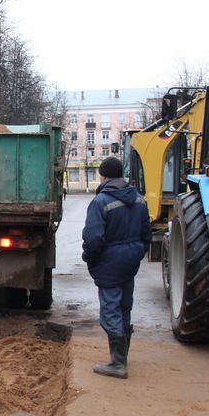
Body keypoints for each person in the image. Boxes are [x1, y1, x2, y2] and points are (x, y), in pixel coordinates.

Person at [82, 156, 152, 379]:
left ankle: (118, 363)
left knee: (110, 309)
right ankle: (121, 357)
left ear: (103, 176)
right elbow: (146, 234)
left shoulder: (101, 201)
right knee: (124, 307)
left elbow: (93, 239)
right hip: (130, 260)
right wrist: (138, 252)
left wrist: (89, 258)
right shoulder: (139, 199)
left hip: (110, 261)